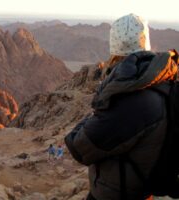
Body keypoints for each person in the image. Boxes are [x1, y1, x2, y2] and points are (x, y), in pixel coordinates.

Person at [65, 13, 178, 200]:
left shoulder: (131, 99)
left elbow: (79, 147)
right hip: (144, 187)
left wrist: (91, 118)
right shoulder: (163, 81)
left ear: (115, 47)